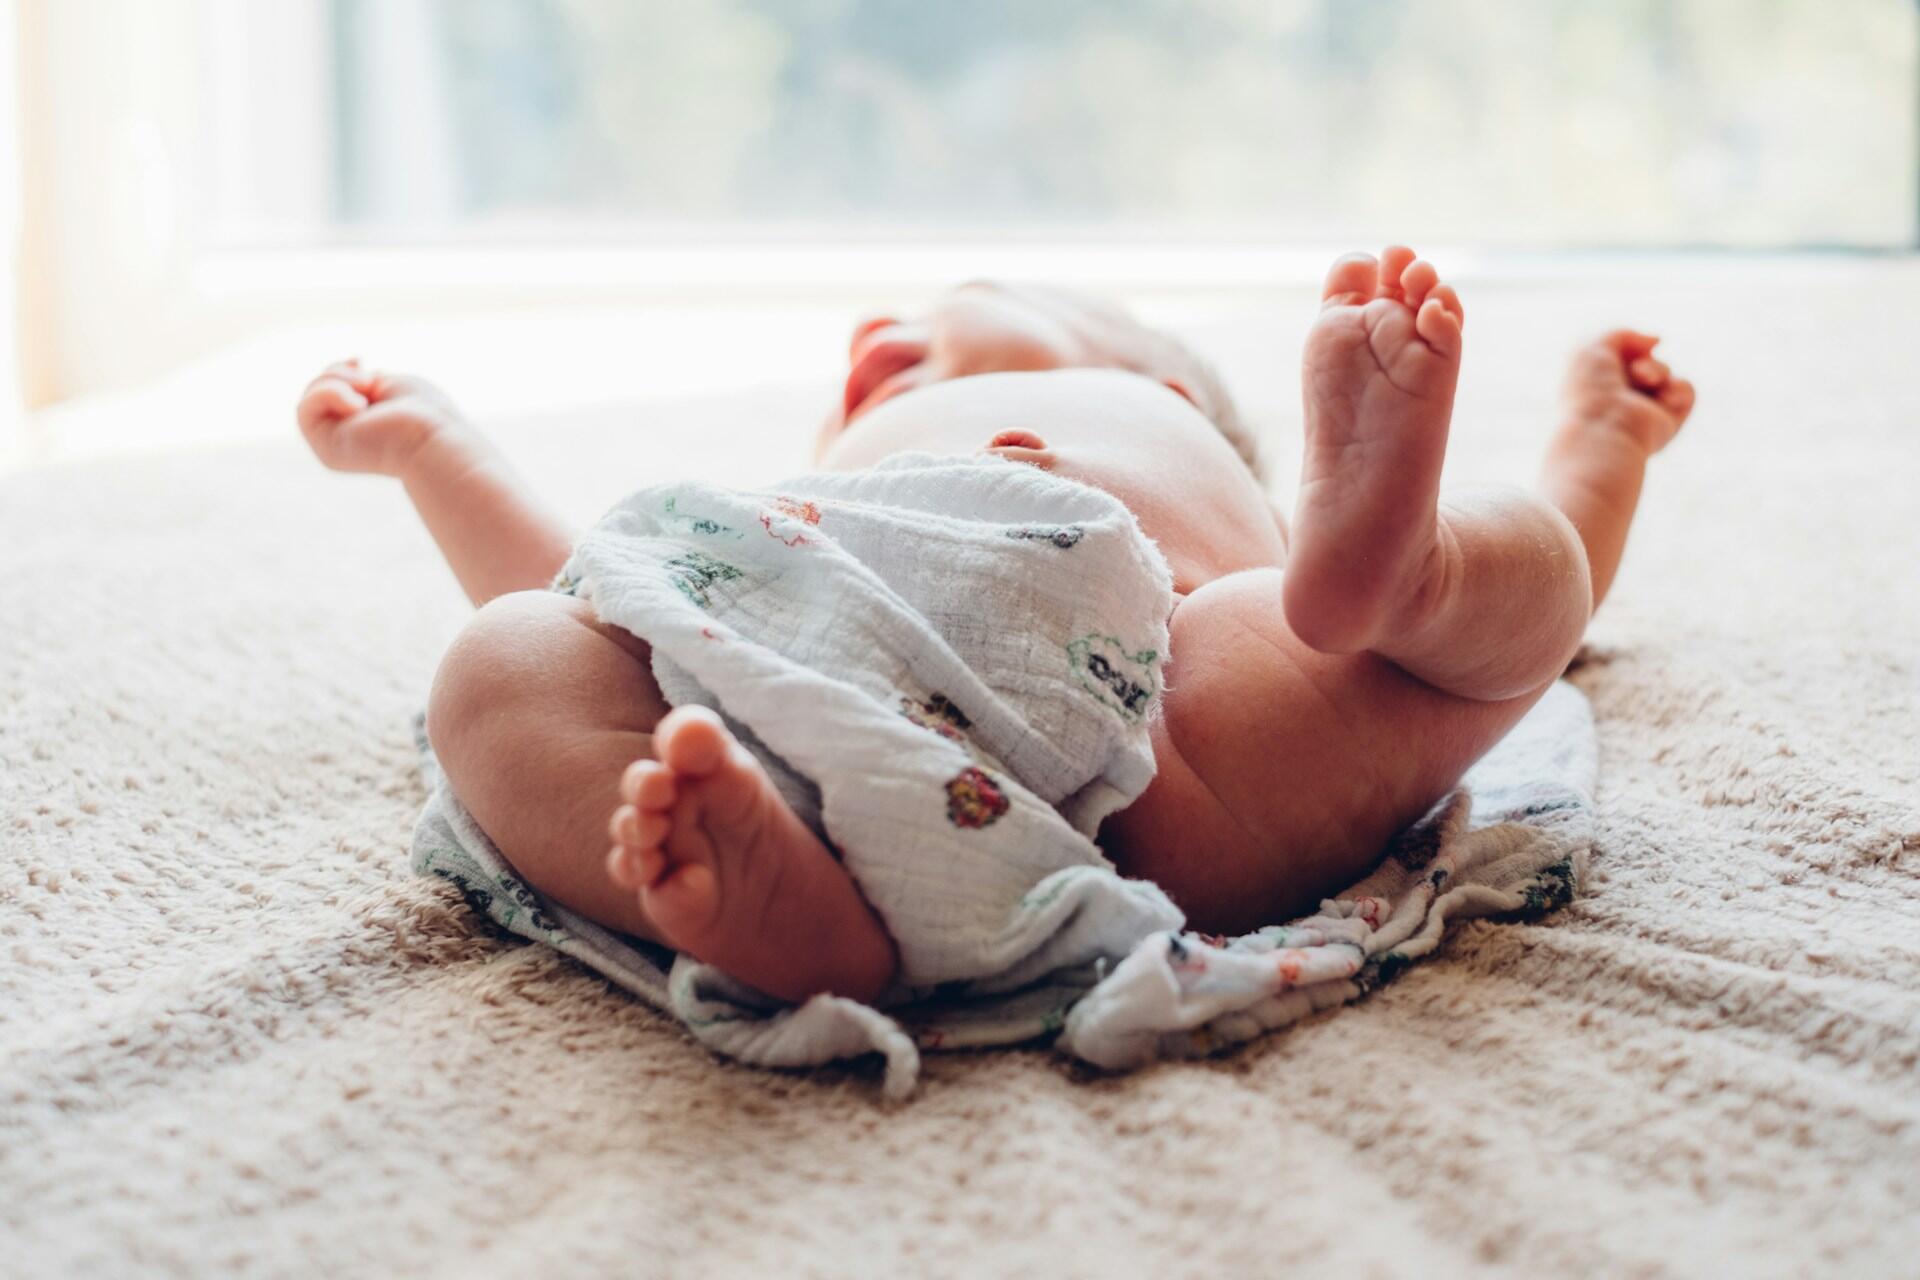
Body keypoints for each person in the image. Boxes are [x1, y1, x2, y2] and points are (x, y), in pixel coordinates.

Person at [295, 249, 1694, 1005]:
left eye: (949, 315)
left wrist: (1601, 440)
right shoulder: (813, 500)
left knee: (1528, 583)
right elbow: (603, 591)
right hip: (837, 689)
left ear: (1165, 386)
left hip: (1182, 691)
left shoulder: (1181, 444)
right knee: (511, 659)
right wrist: (438, 448)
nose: (883, 332)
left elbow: (1561, 580)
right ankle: (794, 909)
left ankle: (1405, 575)